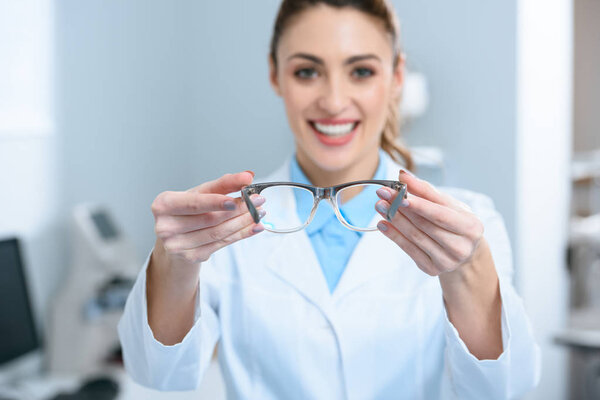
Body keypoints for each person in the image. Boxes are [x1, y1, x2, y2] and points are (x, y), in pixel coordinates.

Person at [118, 1, 541, 398]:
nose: (334, 101)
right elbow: (159, 373)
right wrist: (173, 262)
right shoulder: (224, 226)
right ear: (275, 75)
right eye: (307, 72)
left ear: (396, 77)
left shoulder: (469, 222)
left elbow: (504, 386)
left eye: (361, 72)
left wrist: (468, 272)